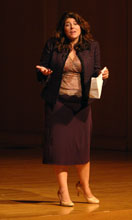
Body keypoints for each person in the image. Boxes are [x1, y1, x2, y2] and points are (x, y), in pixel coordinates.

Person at [36, 11, 109, 207]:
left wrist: (103, 74)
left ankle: (84, 187)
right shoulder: (53, 45)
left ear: (81, 26)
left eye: (75, 23)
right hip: (58, 102)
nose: (72, 27)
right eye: (67, 24)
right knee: (59, 149)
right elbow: (42, 71)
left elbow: (95, 71)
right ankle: (63, 191)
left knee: (82, 150)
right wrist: (43, 72)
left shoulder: (92, 46)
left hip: (81, 105)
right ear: (63, 29)